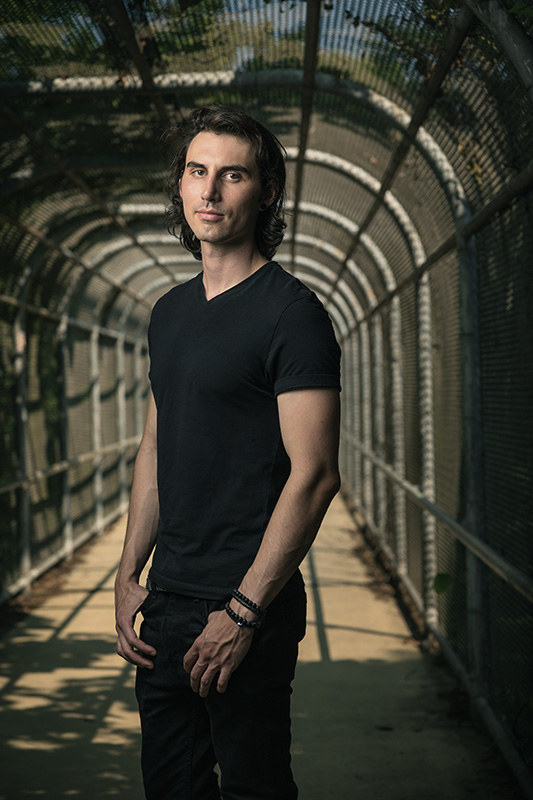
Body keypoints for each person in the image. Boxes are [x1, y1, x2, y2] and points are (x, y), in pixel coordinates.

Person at [114, 105, 341, 800]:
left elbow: (315, 475)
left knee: (254, 789)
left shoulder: (290, 314)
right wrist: (128, 576)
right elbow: (157, 444)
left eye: (232, 174)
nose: (209, 191)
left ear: (265, 191)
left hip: (244, 602)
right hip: (169, 600)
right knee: (171, 787)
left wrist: (243, 613)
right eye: (196, 171)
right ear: (180, 186)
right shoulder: (169, 312)